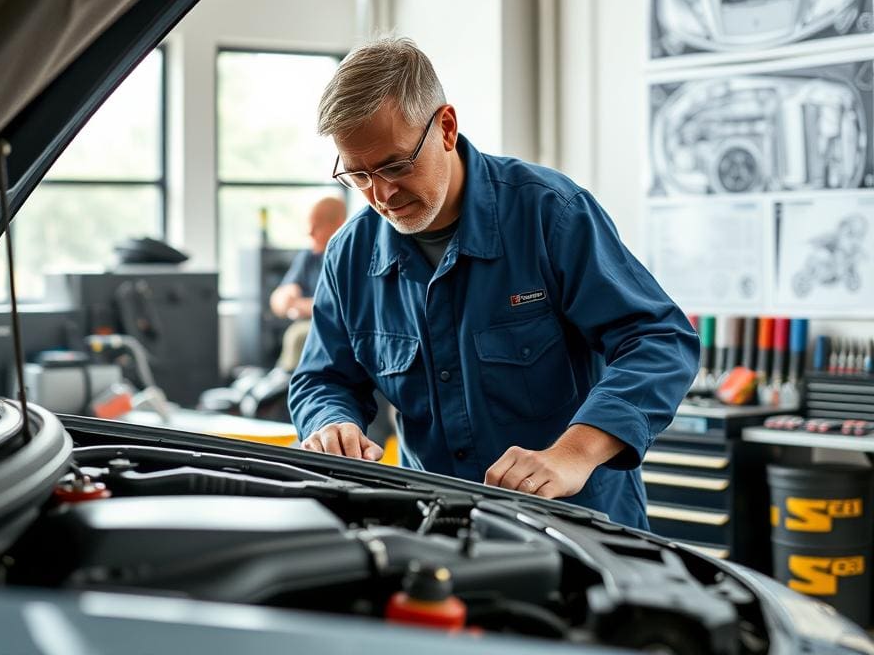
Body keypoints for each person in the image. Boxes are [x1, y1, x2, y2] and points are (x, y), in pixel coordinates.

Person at [288, 37, 699, 529]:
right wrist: (330, 422)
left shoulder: (550, 215)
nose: (382, 194)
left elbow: (660, 340)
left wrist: (573, 453)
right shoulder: (350, 255)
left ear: (446, 127)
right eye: (358, 175)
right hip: (435, 527)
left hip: (579, 528)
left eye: (396, 165)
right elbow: (324, 378)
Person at [269, 196, 346, 371]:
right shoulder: (309, 256)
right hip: (310, 326)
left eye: (317, 225)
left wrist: (299, 306)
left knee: (298, 337)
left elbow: (338, 309)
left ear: (339, 225)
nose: (309, 232)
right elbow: (278, 302)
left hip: (336, 331)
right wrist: (286, 296)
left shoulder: (349, 257)